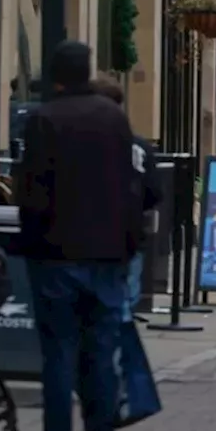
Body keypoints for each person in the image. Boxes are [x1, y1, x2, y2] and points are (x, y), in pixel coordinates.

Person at [16, 41, 141, 431]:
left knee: (58, 356)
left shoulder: (43, 120)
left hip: (56, 256)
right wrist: (128, 245)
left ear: (55, 77)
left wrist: (32, 243)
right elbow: (129, 189)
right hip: (106, 255)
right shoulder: (113, 119)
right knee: (101, 356)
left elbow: (31, 194)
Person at [91, 74, 162, 319]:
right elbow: (154, 191)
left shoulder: (78, 143)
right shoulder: (139, 147)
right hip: (128, 234)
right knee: (123, 301)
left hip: (83, 238)